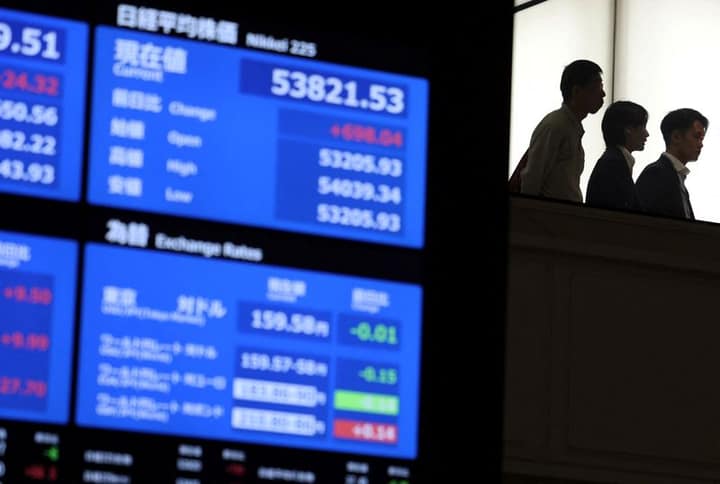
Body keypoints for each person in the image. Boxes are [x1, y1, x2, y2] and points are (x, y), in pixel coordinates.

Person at [519, 59, 606, 202]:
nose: (603, 94)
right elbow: (531, 180)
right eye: (596, 88)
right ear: (576, 91)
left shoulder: (570, 126)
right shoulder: (555, 126)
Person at [635, 108, 708, 220]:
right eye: (696, 137)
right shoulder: (655, 174)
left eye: (702, 139)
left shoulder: (676, 176)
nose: (701, 144)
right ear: (676, 137)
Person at [586, 101, 648, 211]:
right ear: (628, 129)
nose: (647, 134)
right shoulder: (613, 164)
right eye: (643, 126)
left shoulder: (613, 161)